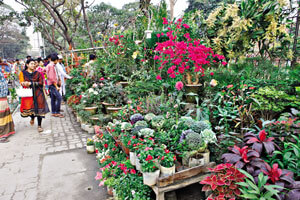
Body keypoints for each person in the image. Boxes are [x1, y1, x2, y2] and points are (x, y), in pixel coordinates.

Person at [19, 59, 49, 132]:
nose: (33, 65)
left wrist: (31, 83)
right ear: (27, 65)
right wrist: (24, 83)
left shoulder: (38, 73)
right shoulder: (22, 73)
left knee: (40, 109)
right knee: (31, 109)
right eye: (31, 64)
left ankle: (39, 125)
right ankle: (32, 117)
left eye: (34, 64)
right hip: (29, 94)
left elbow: (41, 83)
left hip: (38, 93)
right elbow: (21, 82)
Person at [0, 71, 15, 143]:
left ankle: (6, 132)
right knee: (2, 116)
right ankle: (2, 135)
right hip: (1, 97)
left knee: (4, 114)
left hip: (3, 96)